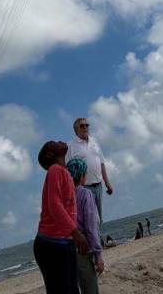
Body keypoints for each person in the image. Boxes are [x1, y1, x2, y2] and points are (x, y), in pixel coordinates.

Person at [35, 141, 89, 294]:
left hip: (63, 242)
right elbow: (55, 205)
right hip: (51, 243)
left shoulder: (64, 172)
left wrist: (74, 236)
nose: (59, 141)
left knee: (71, 289)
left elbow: (68, 209)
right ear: (50, 155)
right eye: (54, 143)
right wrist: (76, 233)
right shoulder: (55, 169)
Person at [68, 118, 113, 241]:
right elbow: (69, 169)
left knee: (99, 217)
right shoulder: (71, 146)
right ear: (76, 130)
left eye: (87, 125)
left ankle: (97, 241)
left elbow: (101, 163)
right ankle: (93, 243)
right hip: (84, 187)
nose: (85, 128)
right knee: (90, 218)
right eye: (82, 126)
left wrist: (107, 183)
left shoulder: (94, 141)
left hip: (98, 185)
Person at [65, 158, 103, 294]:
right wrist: (98, 255)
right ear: (81, 176)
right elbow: (91, 227)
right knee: (90, 289)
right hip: (81, 249)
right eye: (85, 173)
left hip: (65, 249)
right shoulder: (85, 194)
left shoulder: (63, 197)